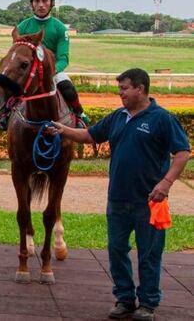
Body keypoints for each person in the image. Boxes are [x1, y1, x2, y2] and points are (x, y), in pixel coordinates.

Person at [48, 68, 190, 321]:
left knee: (149, 254)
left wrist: (166, 183)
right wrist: (62, 130)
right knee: (116, 250)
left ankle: (147, 304)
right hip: (117, 199)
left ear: (140, 89)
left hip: (150, 201)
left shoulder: (162, 119)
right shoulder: (117, 117)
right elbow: (90, 135)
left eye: (124, 88)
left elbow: (182, 153)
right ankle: (124, 299)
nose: (120, 93)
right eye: (120, 88)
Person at [17, 0, 89, 124]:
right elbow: (17, 56)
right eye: (37, 1)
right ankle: (5, 115)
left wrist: (51, 71)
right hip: (29, 73)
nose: (41, 5)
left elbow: (63, 58)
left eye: (45, 0)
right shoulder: (22, 27)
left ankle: (79, 114)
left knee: (67, 87)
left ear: (51, 3)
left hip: (52, 72)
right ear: (32, 5)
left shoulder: (60, 28)